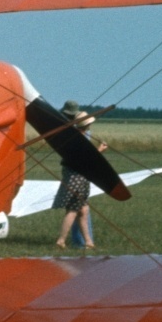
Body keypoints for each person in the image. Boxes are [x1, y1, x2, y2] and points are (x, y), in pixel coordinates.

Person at [54, 103, 108, 249]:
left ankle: (89, 242)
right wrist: (100, 150)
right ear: (87, 126)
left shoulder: (76, 136)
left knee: (83, 210)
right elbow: (86, 159)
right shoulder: (79, 140)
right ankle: (61, 240)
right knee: (73, 210)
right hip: (77, 176)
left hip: (78, 175)